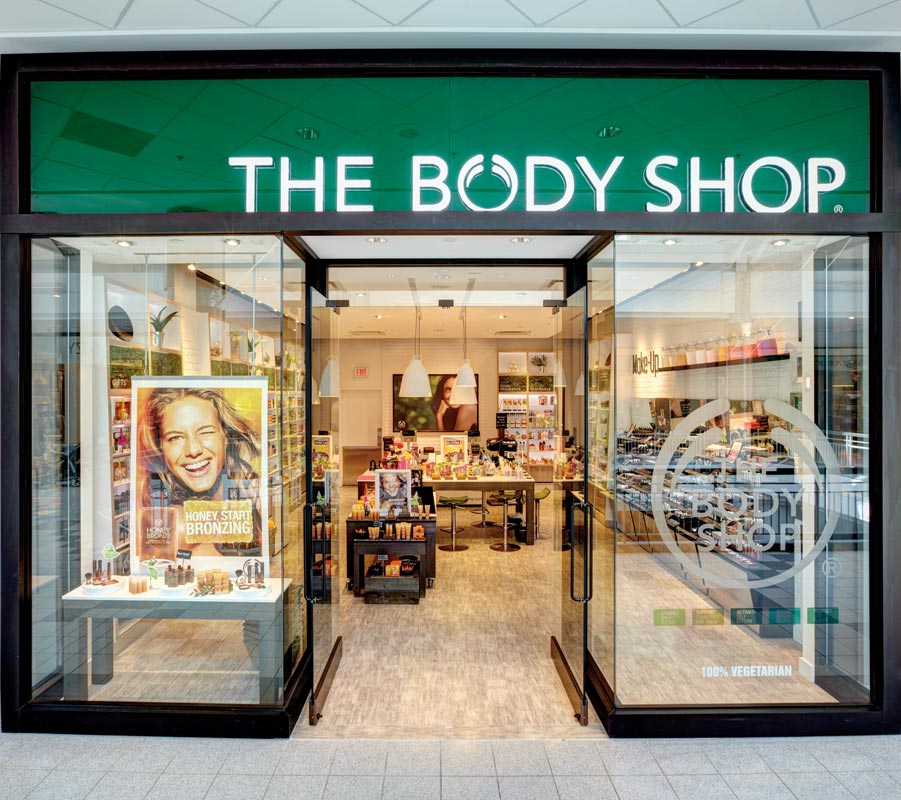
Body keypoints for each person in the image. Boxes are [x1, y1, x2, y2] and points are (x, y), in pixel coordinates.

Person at [136, 387, 262, 557]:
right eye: (175, 438)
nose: (193, 449)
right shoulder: (172, 524)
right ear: (161, 449)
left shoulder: (251, 492)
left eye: (205, 432)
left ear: (226, 436)